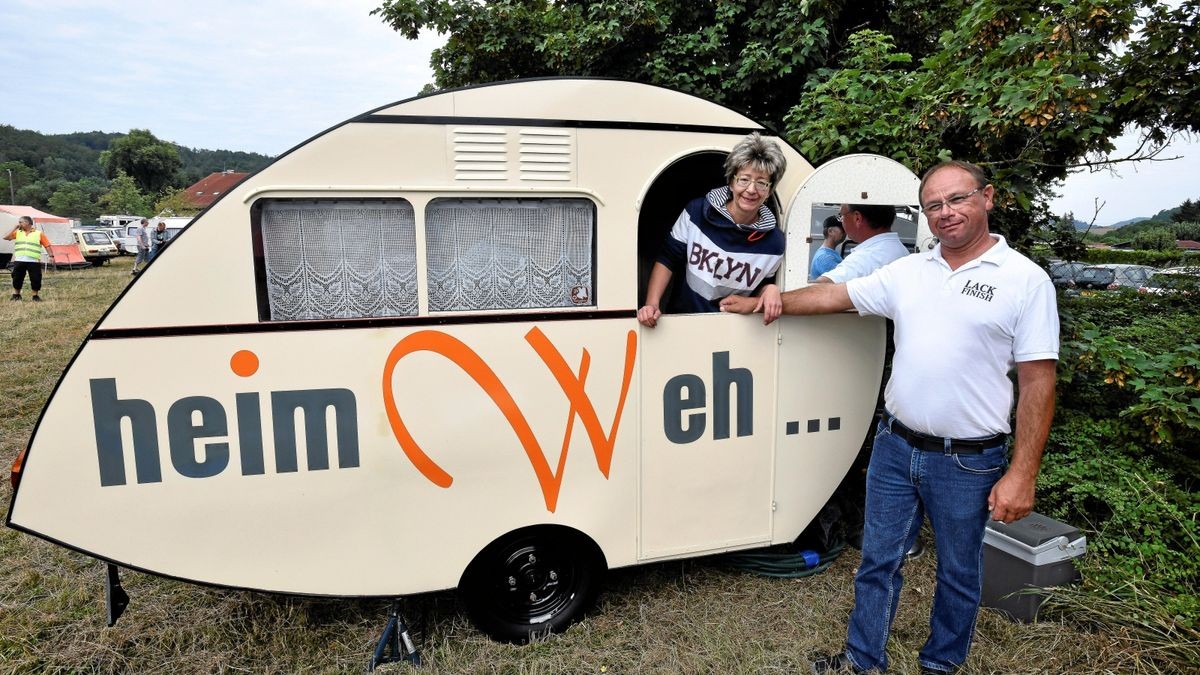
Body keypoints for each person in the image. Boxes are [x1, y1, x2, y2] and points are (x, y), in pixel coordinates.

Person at [720, 161, 1058, 675]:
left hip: (967, 462)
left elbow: (1038, 382)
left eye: (957, 199)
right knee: (878, 562)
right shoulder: (911, 271)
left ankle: (940, 665)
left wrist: (1022, 473)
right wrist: (767, 301)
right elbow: (836, 295)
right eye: (934, 206)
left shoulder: (1025, 281)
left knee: (960, 573)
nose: (946, 213)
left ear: (987, 198)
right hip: (895, 446)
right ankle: (862, 661)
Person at [637, 132, 787, 328]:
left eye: (761, 183)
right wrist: (652, 304)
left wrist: (771, 289)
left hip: (735, 329)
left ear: (769, 191)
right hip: (683, 321)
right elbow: (668, 258)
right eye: (744, 179)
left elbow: (758, 290)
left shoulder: (774, 243)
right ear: (732, 181)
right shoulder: (697, 211)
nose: (751, 189)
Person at [815, 203, 909, 284]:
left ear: (857, 218)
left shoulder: (862, 260)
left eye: (841, 216)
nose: (842, 221)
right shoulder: (902, 250)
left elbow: (820, 286)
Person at [5, 216, 51, 302]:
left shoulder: (39, 233)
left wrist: (51, 256)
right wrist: (14, 228)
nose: (19, 224)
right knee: (17, 278)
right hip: (19, 260)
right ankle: (16, 295)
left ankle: (35, 296)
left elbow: (47, 245)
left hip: (33, 261)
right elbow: (5, 237)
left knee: (36, 278)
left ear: (27, 223)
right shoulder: (17, 232)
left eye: (20, 222)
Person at [810, 215, 845, 280]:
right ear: (830, 231)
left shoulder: (829, 253)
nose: (845, 233)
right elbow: (842, 280)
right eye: (842, 229)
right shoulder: (825, 257)